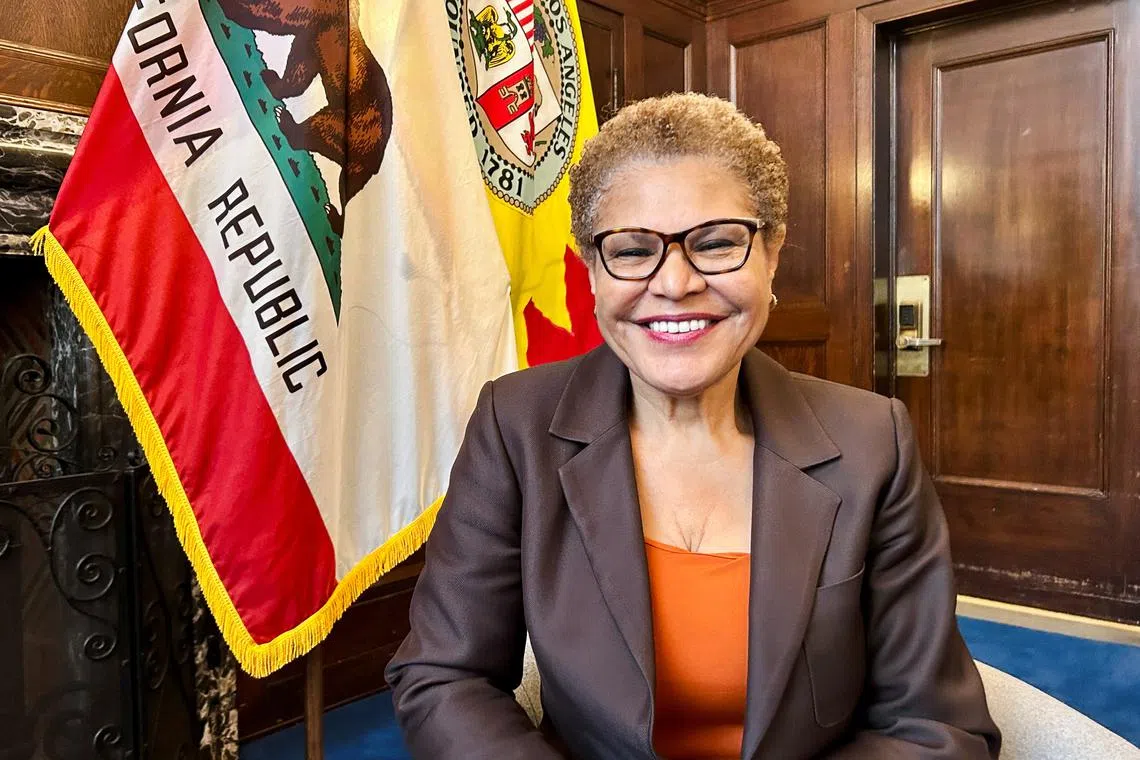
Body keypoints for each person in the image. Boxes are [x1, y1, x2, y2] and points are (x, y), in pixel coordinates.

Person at [385, 92, 1001, 759]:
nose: (675, 284)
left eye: (716, 243)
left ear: (772, 253)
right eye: (631, 250)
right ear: (591, 269)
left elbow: (937, 728)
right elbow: (445, 675)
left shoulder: (873, 443)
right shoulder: (515, 426)